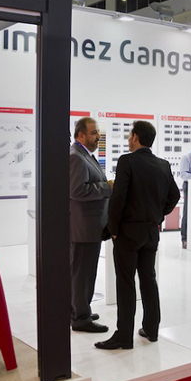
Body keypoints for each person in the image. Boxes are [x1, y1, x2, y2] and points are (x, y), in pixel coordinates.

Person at [95, 121, 180, 350]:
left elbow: (118, 198)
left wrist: (113, 229)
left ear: (135, 137)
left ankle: (124, 336)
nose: (128, 138)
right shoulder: (163, 165)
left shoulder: (127, 161)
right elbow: (174, 195)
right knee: (148, 280)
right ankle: (151, 329)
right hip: (151, 231)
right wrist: (158, 215)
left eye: (129, 134)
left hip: (128, 232)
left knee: (125, 283)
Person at [69, 117, 112, 333]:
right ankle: (81, 318)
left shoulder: (84, 155)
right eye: (94, 133)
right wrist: (107, 187)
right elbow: (77, 190)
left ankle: (79, 309)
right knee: (83, 275)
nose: (98, 137)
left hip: (88, 227)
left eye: (98, 133)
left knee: (82, 273)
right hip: (84, 228)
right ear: (80, 135)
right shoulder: (76, 157)